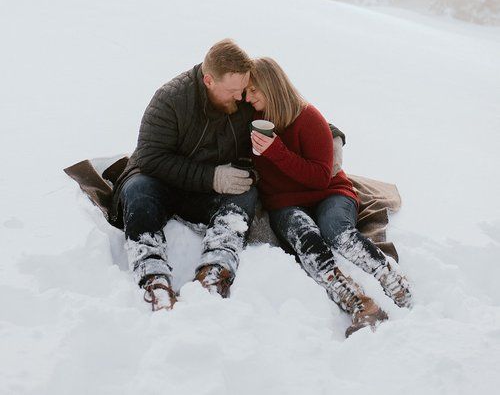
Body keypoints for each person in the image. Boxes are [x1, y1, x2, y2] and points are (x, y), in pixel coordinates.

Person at [246, 57, 412, 337]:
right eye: (246, 91)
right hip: (284, 202)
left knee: (337, 231)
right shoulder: (247, 118)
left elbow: (319, 177)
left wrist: (276, 151)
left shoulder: (308, 118)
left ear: (272, 87)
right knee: (306, 237)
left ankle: (390, 277)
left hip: (328, 192)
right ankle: (357, 301)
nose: (247, 97)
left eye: (254, 91)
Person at [111, 39, 258, 311]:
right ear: (209, 80)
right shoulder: (171, 98)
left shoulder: (244, 94)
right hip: (160, 183)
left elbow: (289, 106)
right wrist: (212, 177)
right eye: (233, 91)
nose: (241, 97)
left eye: (243, 89)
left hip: (204, 195)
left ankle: (216, 272)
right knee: (136, 190)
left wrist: (329, 136)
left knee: (246, 191)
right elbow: (151, 158)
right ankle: (153, 277)